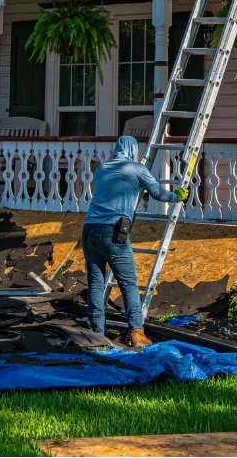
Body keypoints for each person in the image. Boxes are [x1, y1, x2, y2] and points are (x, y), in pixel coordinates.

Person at [82, 135, 189, 347]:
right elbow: (158, 193)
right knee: (128, 284)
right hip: (112, 231)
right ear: (133, 150)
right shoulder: (137, 169)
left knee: (96, 282)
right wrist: (177, 195)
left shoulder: (102, 169)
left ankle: (97, 334)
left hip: (89, 229)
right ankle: (137, 334)